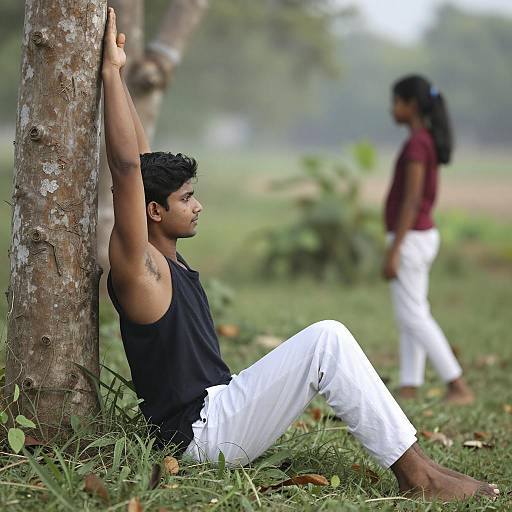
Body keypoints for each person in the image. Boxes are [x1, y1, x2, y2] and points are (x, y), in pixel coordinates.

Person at [102, 9, 498, 501]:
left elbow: (139, 164)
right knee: (327, 340)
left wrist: (119, 73)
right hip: (201, 435)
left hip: (218, 410)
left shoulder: (166, 258)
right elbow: (125, 171)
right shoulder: (141, 269)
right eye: (186, 199)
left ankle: (420, 464)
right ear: (155, 212)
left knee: (326, 342)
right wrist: (109, 74)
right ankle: (419, 477)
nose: (198, 205)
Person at [383, 75, 474, 405]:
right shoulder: (424, 141)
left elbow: (411, 199)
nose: (391, 108)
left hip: (410, 237)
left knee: (413, 316)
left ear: (411, 105)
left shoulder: (418, 144)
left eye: (396, 101)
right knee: (412, 311)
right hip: (419, 235)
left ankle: (457, 383)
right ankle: (410, 384)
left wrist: (394, 249)